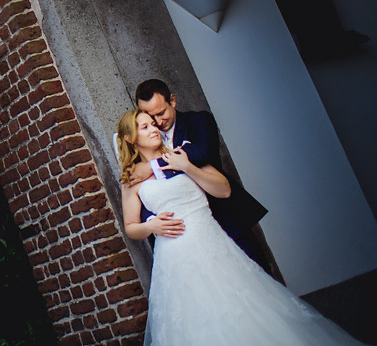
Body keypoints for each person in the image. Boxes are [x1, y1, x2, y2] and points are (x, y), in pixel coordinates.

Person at [117, 109, 363, 345]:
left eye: (153, 122)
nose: (154, 128)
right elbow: (130, 227)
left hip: (211, 243)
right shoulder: (131, 180)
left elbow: (223, 190)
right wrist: (152, 226)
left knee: (244, 307)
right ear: (130, 138)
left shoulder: (180, 154)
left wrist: (187, 167)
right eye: (145, 126)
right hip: (174, 258)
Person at [129, 78, 268, 268]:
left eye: (161, 113)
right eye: (151, 117)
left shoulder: (199, 121)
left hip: (224, 216)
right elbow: (145, 191)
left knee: (258, 273)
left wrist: (153, 165)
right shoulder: (146, 142)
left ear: (173, 101)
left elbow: (202, 152)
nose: (158, 122)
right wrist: (151, 221)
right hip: (188, 238)